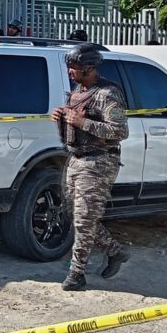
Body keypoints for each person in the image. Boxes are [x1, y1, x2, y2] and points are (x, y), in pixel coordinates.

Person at [50, 43, 130, 291]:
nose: (70, 71)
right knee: (75, 214)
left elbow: (120, 131)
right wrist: (61, 117)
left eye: (74, 67)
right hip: (76, 158)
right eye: (69, 67)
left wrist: (82, 122)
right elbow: (73, 124)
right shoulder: (78, 91)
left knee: (84, 219)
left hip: (99, 161)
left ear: (89, 68)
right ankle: (114, 251)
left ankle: (76, 274)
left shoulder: (108, 94)